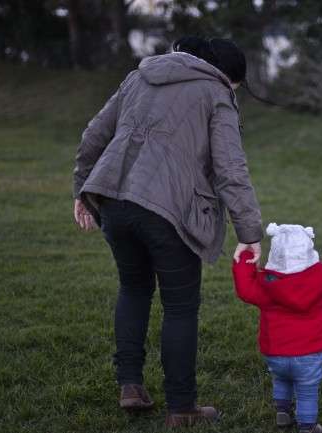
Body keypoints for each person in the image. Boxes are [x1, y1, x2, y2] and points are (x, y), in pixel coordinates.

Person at [72, 36, 263, 428]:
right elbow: (230, 168)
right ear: (229, 78)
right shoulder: (216, 91)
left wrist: (81, 188)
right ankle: (182, 408)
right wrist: (250, 232)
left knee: (134, 289)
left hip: (115, 201)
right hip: (168, 211)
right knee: (179, 307)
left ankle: (130, 385)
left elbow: (94, 133)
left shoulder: (138, 77)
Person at [233, 223, 322, 433]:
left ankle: (283, 412)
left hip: (275, 352)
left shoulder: (266, 283)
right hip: (310, 353)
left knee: (281, 378)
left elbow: (245, 290)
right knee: (307, 390)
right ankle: (307, 425)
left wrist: (246, 258)